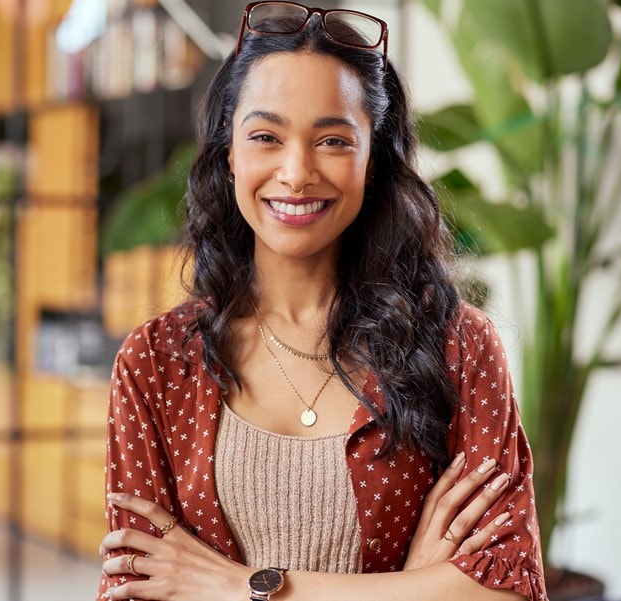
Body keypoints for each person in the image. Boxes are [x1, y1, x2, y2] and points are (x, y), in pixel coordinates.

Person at [97, 2, 545, 600]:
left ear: (373, 158)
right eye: (265, 136)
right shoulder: (155, 363)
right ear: (229, 152)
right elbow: (135, 591)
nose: (296, 172)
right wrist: (413, 589)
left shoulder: (457, 347)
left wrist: (248, 590)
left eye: (333, 140)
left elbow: (508, 589)